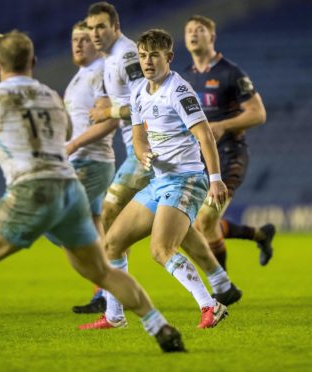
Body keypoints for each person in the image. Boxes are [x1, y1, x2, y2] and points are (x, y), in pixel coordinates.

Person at [0, 30, 185, 359]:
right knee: (102, 272)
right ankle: (159, 326)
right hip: (70, 190)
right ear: (34, 62)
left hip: (31, 188)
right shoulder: (51, 96)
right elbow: (67, 131)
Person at [79, 29, 229, 330]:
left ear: (168, 58)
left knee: (161, 250)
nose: (147, 62)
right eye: (143, 55)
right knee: (112, 243)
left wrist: (215, 178)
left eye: (154, 56)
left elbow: (205, 135)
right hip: (160, 181)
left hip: (186, 179)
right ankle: (114, 315)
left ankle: (210, 305)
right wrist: (142, 149)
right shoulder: (139, 92)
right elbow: (137, 134)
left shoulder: (179, 90)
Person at [72, 1, 152, 314]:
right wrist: (104, 104)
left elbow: (147, 102)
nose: (94, 33)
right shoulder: (110, 58)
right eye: (90, 28)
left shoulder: (127, 54)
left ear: (115, 28)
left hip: (146, 147)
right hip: (139, 147)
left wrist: (110, 110)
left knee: (109, 214)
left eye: (101, 27)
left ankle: (114, 300)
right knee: (175, 234)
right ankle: (220, 285)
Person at [182, 15, 274, 269]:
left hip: (229, 155)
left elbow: (258, 113)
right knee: (198, 224)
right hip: (197, 160)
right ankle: (260, 235)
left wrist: (222, 125)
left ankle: (221, 289)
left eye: (199, 29)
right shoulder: (184, 78)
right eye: (189, 30)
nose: (193, 33)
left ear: (211, 37)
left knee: (205, 220)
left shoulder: (230, 73)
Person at [64, 21, 119, 313]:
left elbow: (111, 119)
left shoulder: (101, 73)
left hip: (90, 161)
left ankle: (108, 288)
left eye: (84, 39)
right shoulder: (79, 76)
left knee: (56, 219)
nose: (77, 44)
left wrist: (72, 145)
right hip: (82, 160)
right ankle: (105, 294)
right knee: (96, 227)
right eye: (74, 39)